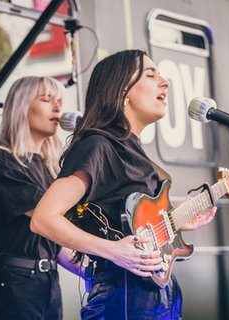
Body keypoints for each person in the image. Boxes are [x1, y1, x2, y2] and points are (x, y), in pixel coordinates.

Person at [30, 50, 217, 319]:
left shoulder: (132, 150)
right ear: (122, 91)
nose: (164, 82)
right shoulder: (99, 145)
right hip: (124, 299)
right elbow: (43, 218)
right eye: (151, 75)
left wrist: (177, 221)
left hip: (157, 297)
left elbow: (130, 224)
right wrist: (114, 251)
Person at [0, 76, 81, 320]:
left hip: (49, 281)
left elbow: (57, 242)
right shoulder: (0, 161)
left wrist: (95, 273)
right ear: (22, 107)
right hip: (15, 283)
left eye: (59, 101)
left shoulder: (52, 168)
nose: (57, 107)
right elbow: (47, 216)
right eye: (46, 100)